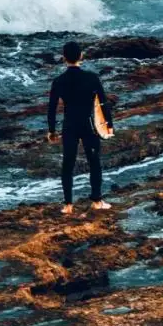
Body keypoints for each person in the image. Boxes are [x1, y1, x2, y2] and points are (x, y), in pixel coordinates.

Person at [47, 41, 113, 215]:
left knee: (68, 164)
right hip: (88, 125)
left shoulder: (58, 81)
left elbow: (52, 108)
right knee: (94, 162)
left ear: (64, 58)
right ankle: (97, 201)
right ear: (81, 56)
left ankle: (68, 205)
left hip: (69, 126)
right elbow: (103, 103)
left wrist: (52, 130)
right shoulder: (92, 78)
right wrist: (109, 125)